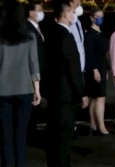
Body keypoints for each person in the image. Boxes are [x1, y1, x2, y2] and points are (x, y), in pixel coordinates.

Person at [45, 1, 89, 166]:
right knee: (63, 137)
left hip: (55, 92)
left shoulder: (51, 33)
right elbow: (73, 68)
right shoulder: (66, 36)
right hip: (66, 94)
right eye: (71, 12)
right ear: (65, 14)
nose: (74, 15)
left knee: (54, 135)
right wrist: (82, 93)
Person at [0, 0, 41, 166]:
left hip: (2, 91)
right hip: (25, 89)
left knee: (5, 136)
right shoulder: (29, 36)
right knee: (21, 136)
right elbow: (34, 64)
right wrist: (37, 90)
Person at [84, 7, 109, 135]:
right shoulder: (90, 34)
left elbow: (103, 53)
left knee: (95, 98)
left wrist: (105, 69)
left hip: (101, 67)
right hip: (94, 68)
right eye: (97, 16)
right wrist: (95, 69)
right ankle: (101, 126)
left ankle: (93, 124)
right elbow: (89, 53)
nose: (100, 19)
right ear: (92, 18)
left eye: (101, 16)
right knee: (99, 97)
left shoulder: (100, 32)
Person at [24, 0, 47, 134]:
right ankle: (30, 132)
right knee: (32, 103)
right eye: (39, 10)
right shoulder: (28, 28)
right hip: (32, 73)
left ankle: (32, 129)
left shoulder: (37, 28)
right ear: (31, 13)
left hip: (39, 70)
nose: (41, 13)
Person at [68, 0, 85, 131]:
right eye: (76, 3)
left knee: (74, 100)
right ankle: (69, 125)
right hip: (72, 67)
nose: (79, 6)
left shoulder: (78, 22)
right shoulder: (68, 24)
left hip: (80, 66)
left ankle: (72, 124)